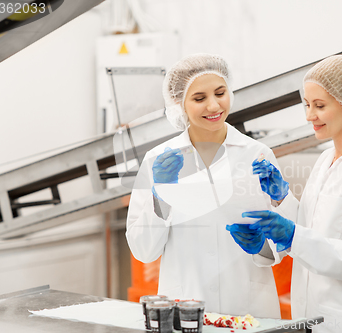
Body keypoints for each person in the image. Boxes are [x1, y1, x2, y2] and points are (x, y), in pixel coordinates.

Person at [234, 55, 342, 333]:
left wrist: (291, 234)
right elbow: (312, 232)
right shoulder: (327, 159)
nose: (309, 116)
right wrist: (282, 200)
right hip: (313, 318)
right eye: (307, 105)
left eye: (319, 106)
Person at [126, 53, 294, 319]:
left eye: (220, 93)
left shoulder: (257, 154)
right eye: (199, 98)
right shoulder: (158, 161)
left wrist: (268, 233)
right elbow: (144, 251)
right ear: (179, 104)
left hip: (249, 307)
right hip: (186, 307)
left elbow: (289, 241)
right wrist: (161, 196)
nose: (214, 106)